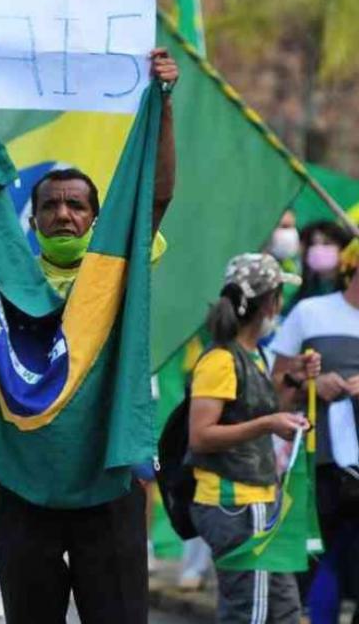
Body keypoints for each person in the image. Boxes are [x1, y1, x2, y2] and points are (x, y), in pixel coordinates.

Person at [0, 43, 179, 623]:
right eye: (50, 204)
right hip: (29, 485)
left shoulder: (117, 270)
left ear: (96, 217)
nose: (62, 213)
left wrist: (164, 102)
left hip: (109, 479)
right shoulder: (10, 280)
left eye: (76, 204)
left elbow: (155, 196)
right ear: (34, 217)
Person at [188, 253, 318, 623]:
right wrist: (267, 425)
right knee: (251, 614)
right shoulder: (220, 360)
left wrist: (295, 381)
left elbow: (259, 407)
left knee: (283, 612)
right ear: (270, 303)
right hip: (236, 505)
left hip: (261, 502)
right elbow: (200, 436)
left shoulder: (252, 353)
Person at [271, 238, 359, 624]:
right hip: (315, 465)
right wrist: (312, 387)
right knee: (306, 568)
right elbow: (273, 386)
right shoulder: (310, 312)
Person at [289, 221, 352, 310]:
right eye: (313, 244)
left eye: (326, 243)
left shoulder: (350, 290)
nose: (318, 249)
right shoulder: (303, 289)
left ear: (343, 249)